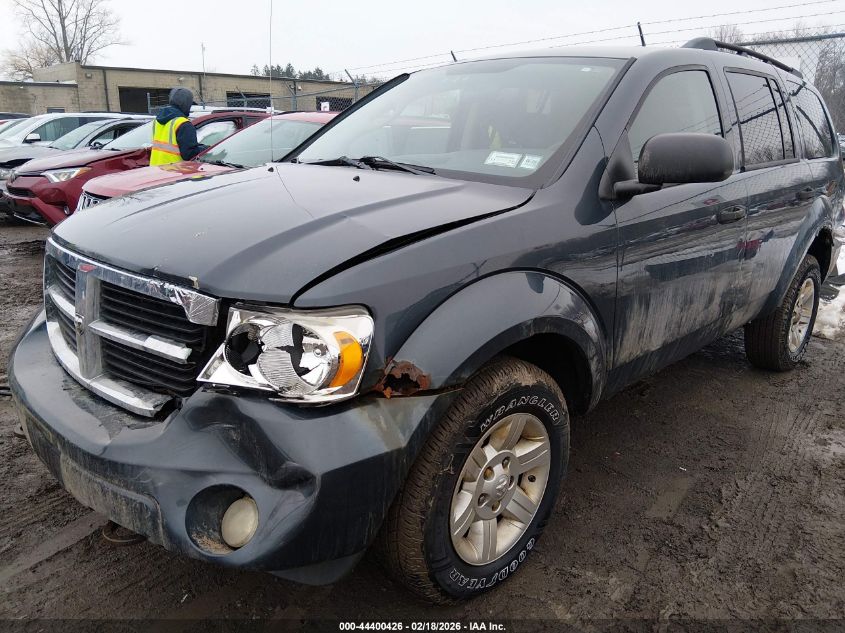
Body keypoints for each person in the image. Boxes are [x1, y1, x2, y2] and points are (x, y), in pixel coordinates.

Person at [150, 87, 207, 166]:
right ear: (186, 104)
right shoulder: (183, 124)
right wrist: (207, 149)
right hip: (175, 170)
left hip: (155, 169)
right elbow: (190, 154)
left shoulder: (156, 121)